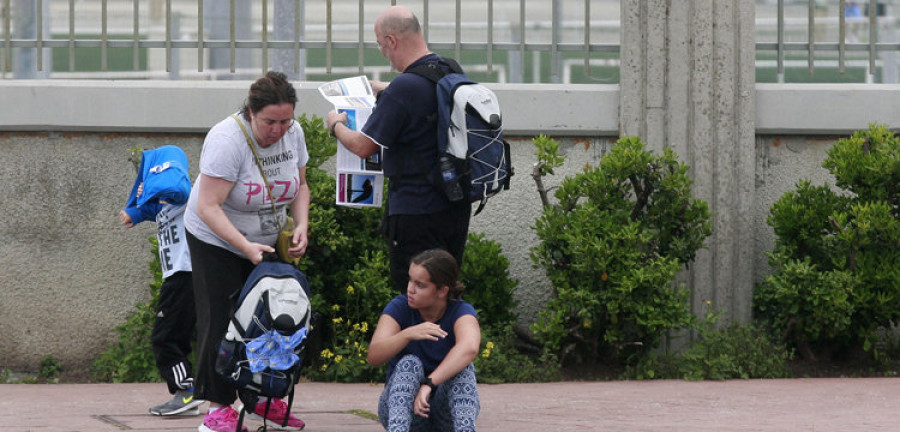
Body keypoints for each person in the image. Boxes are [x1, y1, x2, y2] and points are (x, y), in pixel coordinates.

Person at [184, 71, 311, 432]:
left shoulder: (294, 134)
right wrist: (244, 247)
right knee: (223, 321)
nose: (278, 129)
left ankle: (265, 397)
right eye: (270, 121)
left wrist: (301, 225)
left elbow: (301, 187)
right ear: (252, 113)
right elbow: (209, 206)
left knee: (274, 319)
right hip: (217, 238)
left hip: (267, 237)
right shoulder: (227, 140)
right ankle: (218, 408)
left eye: (285, 120)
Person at [326, 5, 472, 292]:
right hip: (455, 206)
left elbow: (363, 147)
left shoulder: (403, 89)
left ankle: (418, 338)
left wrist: (336, 125)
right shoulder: (450, 70)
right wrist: (383, 89)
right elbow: (419, 95)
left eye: (382, 45)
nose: (383, 52)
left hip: (416, 212)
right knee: (443, 291)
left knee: (415, 295)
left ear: (391, 40)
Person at [119, 145, 204, 416]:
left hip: (185, 276)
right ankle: (190, 393)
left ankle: (187, 391)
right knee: (175, 336)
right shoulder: (165, 207)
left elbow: (178, 190)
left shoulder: (183, 198)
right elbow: (150, 210)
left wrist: (156, 187)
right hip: (176, 278)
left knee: (164, 337)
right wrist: (134, 211)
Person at [367, 249, 481, 432]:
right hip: (402, 411)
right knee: (409, 363)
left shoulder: (461, 311)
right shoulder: (399, 307)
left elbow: (470, 348)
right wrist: (407, 334)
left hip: (444, 413)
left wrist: (429, 384)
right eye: (410, 280)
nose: (410, 289)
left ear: (442, 290)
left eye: (420, 285)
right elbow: (374, 356)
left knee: (463, 367)